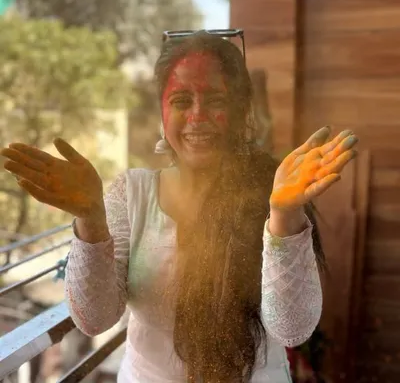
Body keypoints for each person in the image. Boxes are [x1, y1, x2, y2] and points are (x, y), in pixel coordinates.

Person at [0, 31, 358, 383]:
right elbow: (95, 319)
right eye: (181, 100)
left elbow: (292, 329)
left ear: (240, 109)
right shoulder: (131, 194)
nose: (197, 115)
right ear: (162, 112)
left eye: (215, 100)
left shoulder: (274, 189)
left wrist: (283, 215)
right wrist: (90, 219)